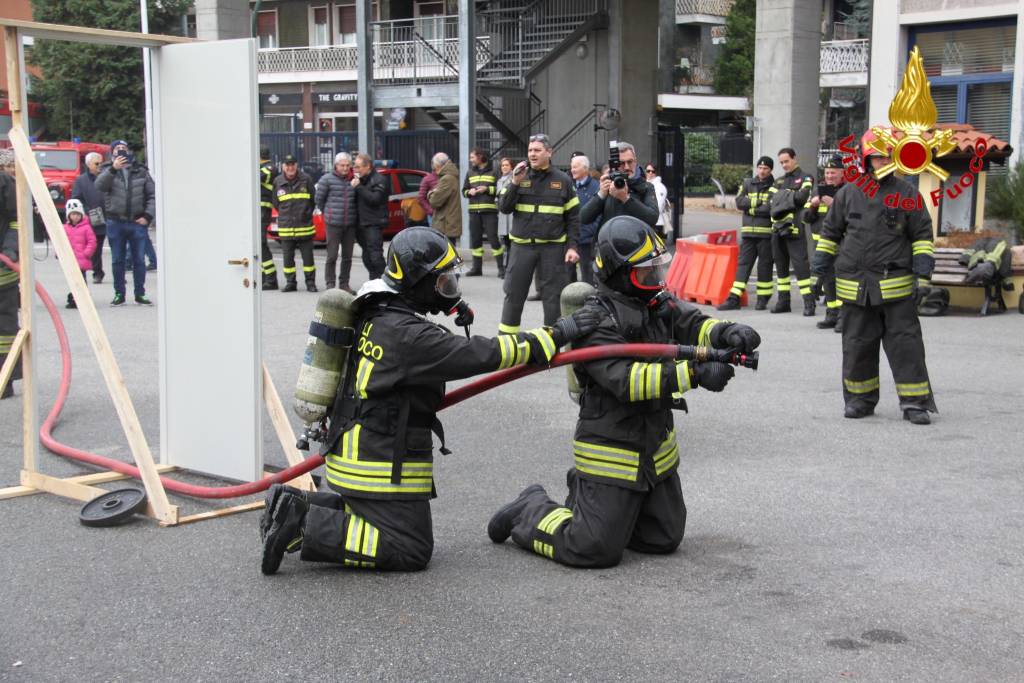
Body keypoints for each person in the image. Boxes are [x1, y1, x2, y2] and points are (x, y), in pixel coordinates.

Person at [258, 226, 601, 574]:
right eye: (441, 283)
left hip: (359, 451)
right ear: (417, 281)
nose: (448, 289)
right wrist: (558, 333)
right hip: (373, 465)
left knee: (388, 528)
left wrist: (449, 302)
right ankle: (301, 522)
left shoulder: (377, 307)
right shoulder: (408, 337)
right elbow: (484, 353)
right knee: (409, 548)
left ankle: (296, 505)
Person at [487, 216, 761, 568]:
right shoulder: (596, 321)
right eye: (646, 273)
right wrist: (693, 373)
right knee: (592, 549)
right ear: (619, 274)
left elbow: (692, 322)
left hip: (652, 449)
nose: (656, 280)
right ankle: (530, 508)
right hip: (612, 446)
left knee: (663, 539)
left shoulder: (654, 301)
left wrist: (726, 332)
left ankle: (598, 508)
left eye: (657, 270)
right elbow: (626, 380)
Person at [811, 130, 936, 425]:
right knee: (856, 345)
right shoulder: (847, 194)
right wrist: (818, 270)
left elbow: (922, 237)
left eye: (887, 157)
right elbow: (830, 233)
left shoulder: (908, 194)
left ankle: (915, 403)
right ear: (866, 160)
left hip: (896, 288)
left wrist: (924, 277)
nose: (883, 162)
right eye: (877, 157)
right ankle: (859, 400)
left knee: (906, 346)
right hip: (855, 287)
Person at [497, 133, 580, 332]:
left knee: (553, 298)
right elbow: (504, 207)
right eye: (530, 150)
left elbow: (574, 218)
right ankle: (506, 343)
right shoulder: (519, 175)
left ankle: (550, 344)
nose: (532, 154)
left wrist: (572, 247)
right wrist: (515, 182)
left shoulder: (563, 181)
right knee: (514, 294)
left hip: (552, 249)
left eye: (537, 150)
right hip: (521, 247)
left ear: (549, 152)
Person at [94, 140, 156, 306]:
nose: (121, 151)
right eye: (117, 149)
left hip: (137, 222)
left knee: (139, 260)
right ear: (112, 153)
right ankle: (119, 294)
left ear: (128, 151)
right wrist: (114, 168)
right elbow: (99, 186)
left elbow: (152, 195)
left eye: (124, 148)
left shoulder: (141, 170)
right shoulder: (107, 169)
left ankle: (140, 294)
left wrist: (148, 217)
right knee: (117, 260)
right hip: (115, 221)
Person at [718, 156, 776, 311]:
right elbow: (738, 202)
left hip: (765, 234)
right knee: (742, 266)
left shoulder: (775, 186)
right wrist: (756, 204)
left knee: (765, 267)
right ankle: (733, 299)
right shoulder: (747, 183)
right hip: (748, 234)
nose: (762, 171)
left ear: (771, 170)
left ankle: (762, 299)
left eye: (766, 169)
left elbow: (770, 209)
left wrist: (749, 208)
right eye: (760, 168)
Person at [767, 148, 815, 315]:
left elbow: (803, 197)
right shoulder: (778, 180)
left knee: (801, 266)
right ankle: (783, 301)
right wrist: (790, 196)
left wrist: (782, 197)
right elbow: (770, 201)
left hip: (795, 230)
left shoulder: (806, 177)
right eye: (781, 163)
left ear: (795, 159)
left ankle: (809, 303)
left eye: (786, 161)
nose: (784, 165)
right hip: (777, 230)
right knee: (780, 267)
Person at [804, 154, 846, 330]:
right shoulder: (817, 191)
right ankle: (832, 314)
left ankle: (844, 318)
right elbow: (805, 218)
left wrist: (834, 204)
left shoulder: (848, 191)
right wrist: (813, 206)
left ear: (842, 173)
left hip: (843, 246)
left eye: (833, 173)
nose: (829, 176)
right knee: (828, 282)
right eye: (827, 173)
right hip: (822, 246)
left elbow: (852, 218)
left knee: (842, 281)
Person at [579, 141, 659, 230]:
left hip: (636, 241)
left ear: (635, 162)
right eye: (622, 163)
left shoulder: (646, 187)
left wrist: (626, 199)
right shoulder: (608, 184)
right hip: (608, 241)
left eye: (630, 162)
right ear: (614, 164)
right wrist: (601, 194)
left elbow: (653, 218)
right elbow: (584, 218)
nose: (627, 167)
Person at [315, 152, 359, 293]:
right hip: (333, 224)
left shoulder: (355, 180)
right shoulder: (326, 179)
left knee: (347, 256)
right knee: (332, 255)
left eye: (348, 165)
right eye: (342, 165)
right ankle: (330, 283)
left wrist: (356, 186)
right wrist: (329, 213)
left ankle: (344, 283)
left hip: (350, 224)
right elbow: (319, 200)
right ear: (336, 165)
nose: (345, 168)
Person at [272, 154, 317, 293]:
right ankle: (291, 283)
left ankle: (310, 283)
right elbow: (276, 202)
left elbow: (313, 200)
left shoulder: (306, 179)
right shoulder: (277, 181)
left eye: (293, 164)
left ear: (296, 165)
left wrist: (306, 214)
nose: (290, 167)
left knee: (308, 259)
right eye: (287, 165)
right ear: (283, 167)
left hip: (304, 227)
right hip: (286, 228)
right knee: (287, 260)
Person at [462, 148, 504, 277]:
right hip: (474, 211)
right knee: (475, 240)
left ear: (480, 157)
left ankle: (501, 269)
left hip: (489, 211)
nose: (471, 160)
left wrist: (486, 189)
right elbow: (464, 191)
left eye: (472, 157)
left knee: (493, 239)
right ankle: (477, 268)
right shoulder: (470, 172)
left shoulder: (495, 171)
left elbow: (499, 189)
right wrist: (469, 192)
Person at [71, 152, 107, 284]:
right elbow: (76, 198)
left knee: (109, 247)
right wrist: (88, 212)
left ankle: (115, 273)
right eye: (96, 163)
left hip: (108, 216)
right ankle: (97, 272)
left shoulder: (106, 176)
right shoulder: (81, 180)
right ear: (88, 164)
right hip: (92, 218)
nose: (100, 165)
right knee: (93, 248)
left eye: (101, 162)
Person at [0, 148, 19, 399]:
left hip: (3, 271)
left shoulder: (5, 183)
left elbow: (17, 221)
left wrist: (9, 251)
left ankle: (5, 377)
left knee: (4, 328)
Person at [352, 153, 388, 280]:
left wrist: (359, 187)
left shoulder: (379, 179)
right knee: (366, 257)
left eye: (358, 167)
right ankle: (374, 281)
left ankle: (387, 280)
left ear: (368, 167)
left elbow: (375, 199)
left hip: (374, 223)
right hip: (361, 224)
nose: (355, 170)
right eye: (354, 167)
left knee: (375, 256)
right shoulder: (360, 180)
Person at [569, 154, 599, 285]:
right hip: (570, 239)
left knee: (588, 275)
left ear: (585, 169)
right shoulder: (569, 185)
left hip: (587, 240)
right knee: (568, 273)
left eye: (575, 167)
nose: (572, 170)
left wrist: (588, 232)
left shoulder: (596, 187)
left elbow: (599, 214)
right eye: (571, 167)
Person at [61, 199, 96, 309]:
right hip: (70, 259)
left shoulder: (86, 227)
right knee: (73, 280)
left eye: (77, 214)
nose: (75, 217)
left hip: (82, 259)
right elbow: (61, 241)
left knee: (81, 279)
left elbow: (92, 241)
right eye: (73, 214)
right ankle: (75, 297)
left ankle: (82, 298)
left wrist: (87, 253)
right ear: (69, 215)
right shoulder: (65, 228)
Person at [426, 153, 462, 247]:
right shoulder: (450, 177)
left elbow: (435, 201)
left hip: (445, 225)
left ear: (438, 166)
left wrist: (430, 194)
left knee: (445, 255)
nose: (434, 170)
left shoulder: (447, 179)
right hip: (447, 224)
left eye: (434, 168)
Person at [258, 146, 279, 291]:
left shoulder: (269, 168)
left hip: (263, 210)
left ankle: (271, 278)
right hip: (258, 210)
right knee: (257, 244)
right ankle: (265, 276)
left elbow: (255, 176)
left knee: (261, 243)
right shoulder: (263, 167)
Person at [495, 157, 514, 266]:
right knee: (505, 242)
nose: (504, 167)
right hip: (502, 214)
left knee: (512, 242)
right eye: (502, 165)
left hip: (511, 214)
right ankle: (506, 266)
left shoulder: (513, 178)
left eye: (507, 165)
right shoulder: (499, 180)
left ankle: (510, 265)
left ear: (511, 166)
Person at [645, 163, 671, 240]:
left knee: (658, 250)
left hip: (658, 224)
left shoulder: (660, 187)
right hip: (648, 223)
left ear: (656, 173)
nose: (650, 173)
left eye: (653, 171)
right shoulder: (646, 185)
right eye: (648, 171)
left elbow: (657, 207)